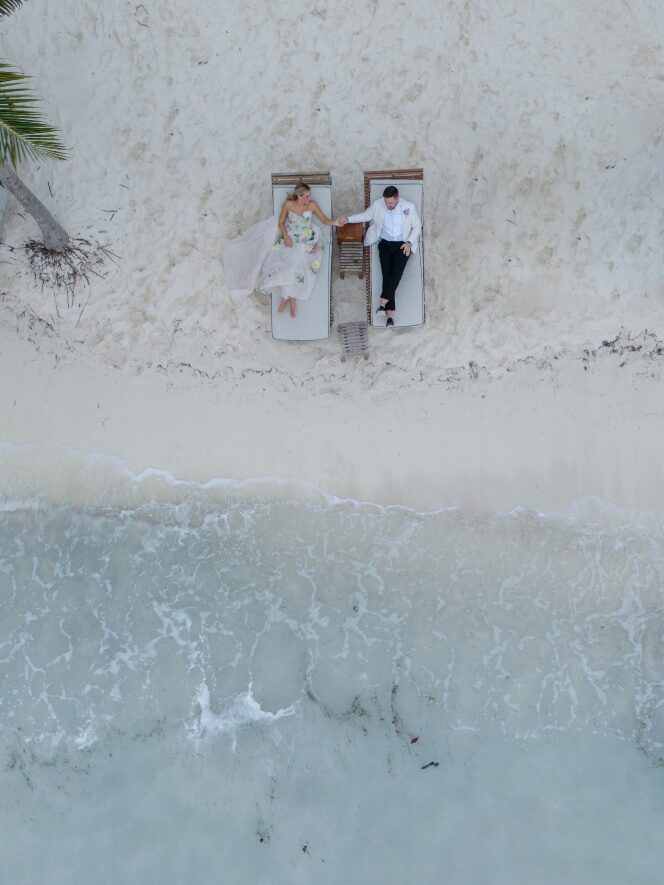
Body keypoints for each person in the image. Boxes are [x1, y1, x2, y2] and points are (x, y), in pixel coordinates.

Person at [223, 183, 342, 317]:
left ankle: (288, 299)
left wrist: (336, 222)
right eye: (307, 196)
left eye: (310, 195)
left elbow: (325, 221)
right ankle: (289, 299)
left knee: (299, 266)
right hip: (290, 237)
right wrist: (286, 236)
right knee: (288, 265)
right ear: (299, 196)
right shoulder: (289, 205)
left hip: (305, 239)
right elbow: (281, 222)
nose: (309, 198)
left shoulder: (312, 205)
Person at [338, 186, 421, 327]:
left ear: (397, 199)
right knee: (386, 275)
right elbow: (365, 216)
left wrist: (409, 242)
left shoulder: (409, 207)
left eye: (391, 203)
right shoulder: (378, 205)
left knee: (396, 274)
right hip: (385, 245)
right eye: (386, 202)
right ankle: (389, 316)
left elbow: (417, 226)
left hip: (402, 244)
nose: (388, 205)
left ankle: (382, 302)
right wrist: (347, 219)